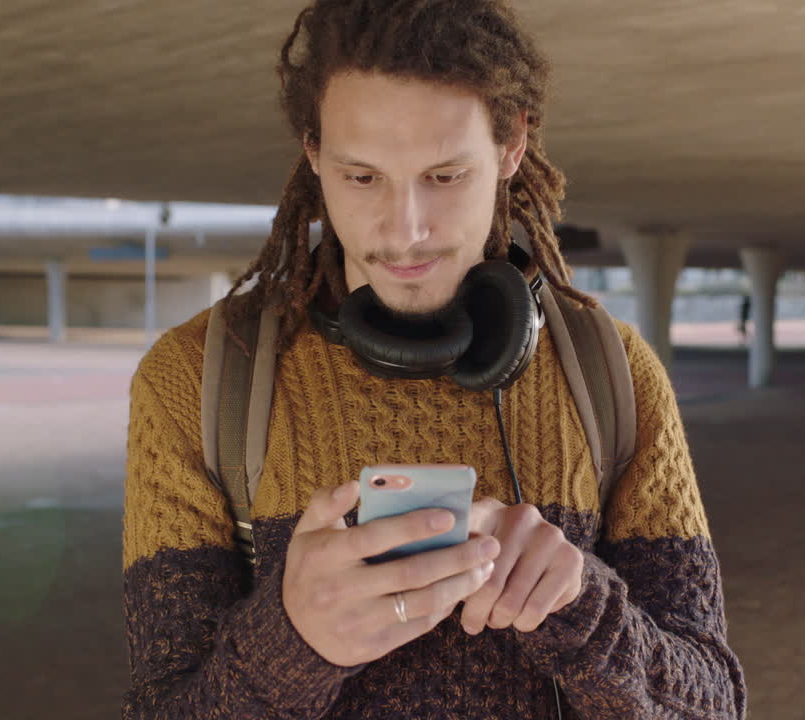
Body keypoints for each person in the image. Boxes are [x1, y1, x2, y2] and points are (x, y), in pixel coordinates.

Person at [121, 1, 746, 718]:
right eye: (362, 178)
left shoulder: (616, 373)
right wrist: (289, 642)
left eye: (445, 176)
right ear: (314, 153)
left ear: (512, 147)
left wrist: (583, 609)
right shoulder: (194, 380)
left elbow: (711, 706)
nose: (405, 229)